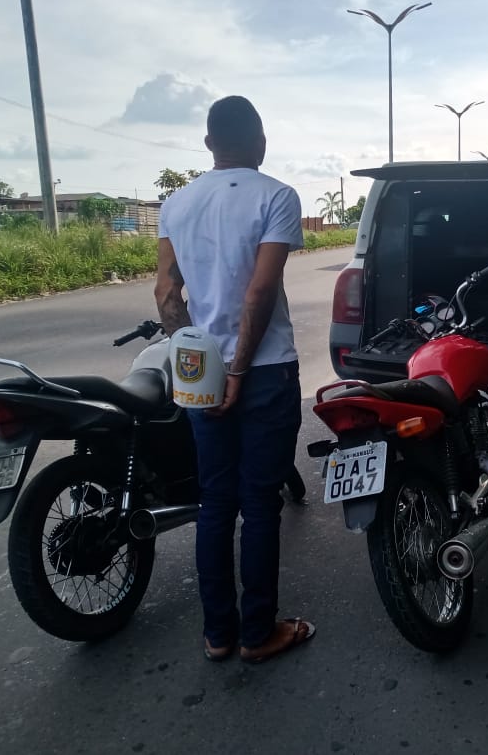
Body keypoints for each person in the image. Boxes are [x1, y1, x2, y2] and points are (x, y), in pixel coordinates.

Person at [154, 95, 315, 664]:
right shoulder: (276, 196)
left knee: (215, 503)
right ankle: (257, 633)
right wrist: (240, 371)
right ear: (261, 141)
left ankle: (218, 634)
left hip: (201, 372)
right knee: (259, 503)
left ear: (208, 144)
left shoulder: (175, 203)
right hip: (265, 371)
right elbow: (260, 291)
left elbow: (167, 297)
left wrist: (200, 362)